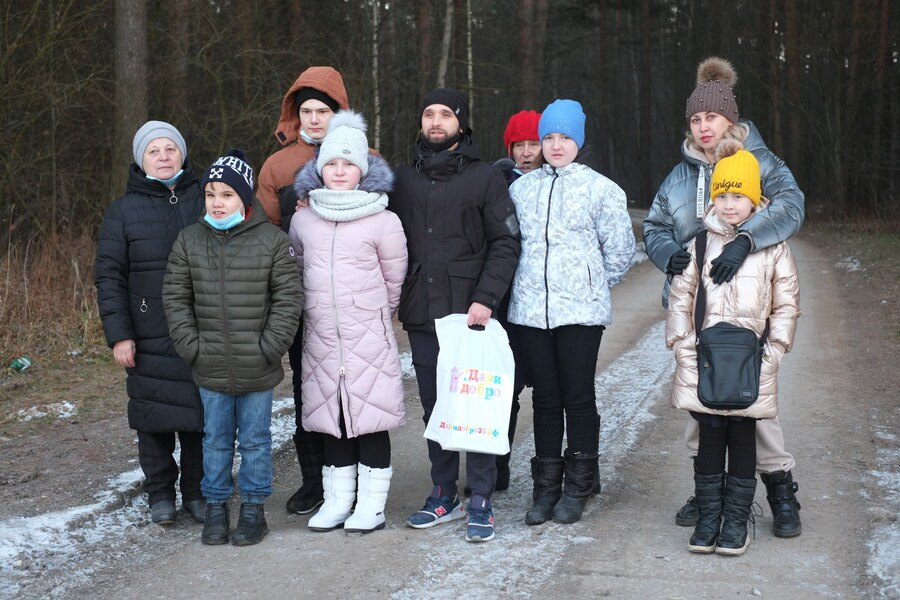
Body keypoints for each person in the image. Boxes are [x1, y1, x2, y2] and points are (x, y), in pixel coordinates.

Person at [642, 56, 806, 538]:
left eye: (711, 117)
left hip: (749, 308)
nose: (703, 126)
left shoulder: (762, 162)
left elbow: (791, 205)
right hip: (697, 309)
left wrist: (745, 239)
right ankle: (707, 487)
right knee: (702, 405)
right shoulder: (680, 175)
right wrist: (668, 252)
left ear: (730, 119)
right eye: (695, 119)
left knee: (752, 405)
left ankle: (780, 487)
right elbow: (654, 225)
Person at [389, 88, 520, 543]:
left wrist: (486, 298)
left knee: (477, 404)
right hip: (423, 312)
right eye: (429, 114)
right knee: (435, 406)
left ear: (461, 124)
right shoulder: (402, 179)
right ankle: (443, 491)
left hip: (472, 314)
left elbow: (505, 242)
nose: (436, 121)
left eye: (446, 114)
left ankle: (481, 495)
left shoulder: (486, 178)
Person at [666, 139, 800, 555]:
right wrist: (685, 349)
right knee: (708, 438)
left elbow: (787, 305)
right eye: (722, 195)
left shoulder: (772, 248)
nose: (728, 204)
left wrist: (773, 352)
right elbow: (681, 301)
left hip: (751, 363)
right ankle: (708, 521)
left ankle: (736, 524)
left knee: (743, 438)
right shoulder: (699, 245)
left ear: (755, 199)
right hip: (705, 362)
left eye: (738, 195)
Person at [163, 149, 301, 546]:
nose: (217, 202)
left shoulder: (273, 242)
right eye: (210, 194)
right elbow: (175, 297)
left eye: (226, 194)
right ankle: (217, 509)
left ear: (245, 198)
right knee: (216, 441)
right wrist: (193, 346)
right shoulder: (190, 241)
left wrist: (269, 346)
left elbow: (288, 299)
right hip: (209, 365)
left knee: (256, 441)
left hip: (257, 365)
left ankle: (253, 511)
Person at [508, 99, 636, 526]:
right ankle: (546, 487)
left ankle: (580, 482)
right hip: (530, 311)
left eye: (565, 137)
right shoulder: (521, 189)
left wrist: (587, 283)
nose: (556, 145)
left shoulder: (601, 189)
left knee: (578, 396)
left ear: (579, 140)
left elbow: (619, 253)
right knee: (545, 398)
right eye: (548, 138)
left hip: (580, 313)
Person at [288, 110, 408, 534]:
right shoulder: (304, 218)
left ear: (362, 169)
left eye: (348, 164)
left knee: (370, 417)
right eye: (332, 164)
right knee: (332, 418)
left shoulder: (384, 219)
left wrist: (373, 314)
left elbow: (394, 278)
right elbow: (298, 270)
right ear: (320, 169)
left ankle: (371, 505)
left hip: (367, 334)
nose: (339, 172)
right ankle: (338, 499)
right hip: (321, 335)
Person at [95, 120, 206, 526]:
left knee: (199, 417)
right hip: (146, 331)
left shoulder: (206, 197)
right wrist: (119, 335)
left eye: (170, 149)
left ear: (182, 154)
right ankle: (160, 493)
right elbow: (109, 276)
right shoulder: (122, 211)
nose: (163, 156)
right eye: (153, 151)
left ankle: (196, 491)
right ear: (141, 161)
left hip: (201, 328)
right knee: (152, 415)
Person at [256, 66, 350, 516]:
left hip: (349, 298)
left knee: (352, 385)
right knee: (307, 389)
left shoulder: (364, 157)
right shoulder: (277, 166)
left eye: (323, 111)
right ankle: (314, 479)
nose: (315, 120)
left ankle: (353, 477)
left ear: (338, 113)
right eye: (307, 111)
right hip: (299, 297)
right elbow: (265, 234)